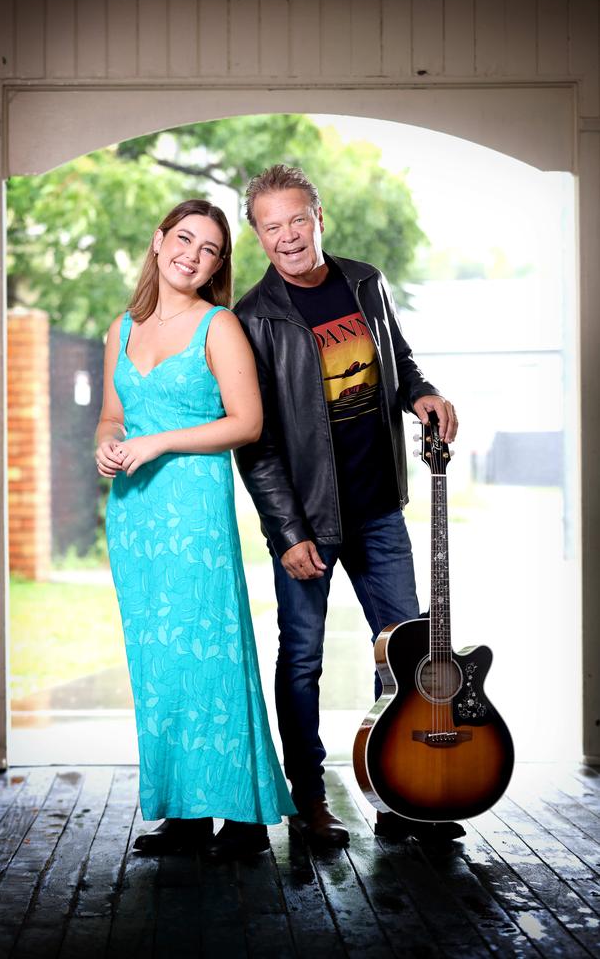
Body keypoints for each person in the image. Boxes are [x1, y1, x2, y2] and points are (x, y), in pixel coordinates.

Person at [234, 165, 460, 847]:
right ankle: (310, 802)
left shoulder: (364, 281)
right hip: (307, 522)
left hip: (379, 508)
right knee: (301, 660)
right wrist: (287, 532)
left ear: (319, 218)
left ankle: (402, 795)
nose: (287, 237)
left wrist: (423, 394)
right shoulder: (254, 318)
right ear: (258, 235)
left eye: (297, 220)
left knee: (405, 653)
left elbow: (401, 362)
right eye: (271, 227)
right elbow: (260, 442)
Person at [96, 199, 295, 861]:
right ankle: (182, 814)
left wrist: (160, 445)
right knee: (158, 664)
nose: (193, 254)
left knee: (212, 652)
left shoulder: (220, 326)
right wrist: (109, 443)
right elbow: (111, 417)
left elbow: (246, 422)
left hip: (195, 508)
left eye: (209, 248)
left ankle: (241, 814)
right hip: (134, 514)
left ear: (217, 264)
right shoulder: (121, 329)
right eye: (184, 239)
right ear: (158, 242)